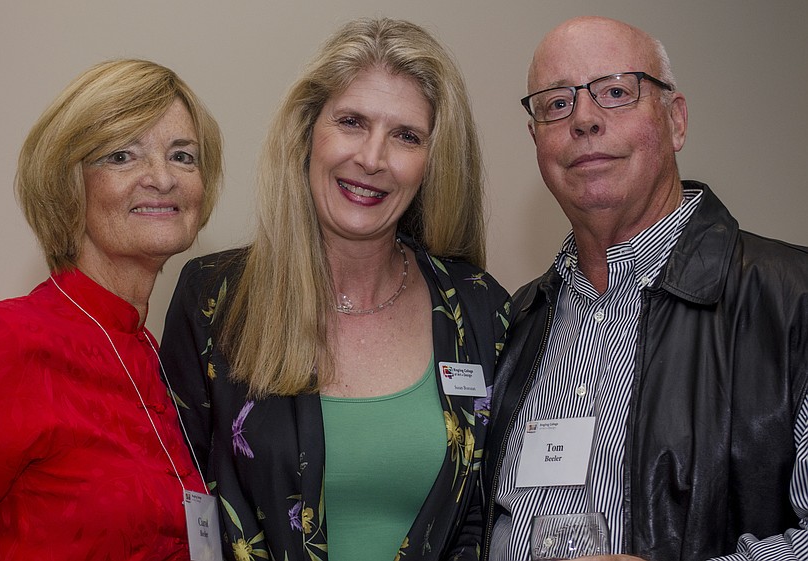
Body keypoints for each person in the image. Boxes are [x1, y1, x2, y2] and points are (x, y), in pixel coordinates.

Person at [159, 17, 510, 561]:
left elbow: (494, 518)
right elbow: (182, 511)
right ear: (308, 134)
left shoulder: (480, 307)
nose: (372, 158)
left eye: (406, 136)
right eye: (351, 122)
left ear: (430, 163)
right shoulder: (216, 300)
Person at [482, 15, 808, 561]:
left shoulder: (791, 301)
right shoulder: (516, 319)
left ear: (676, 120)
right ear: (535, 139)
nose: (584, 119)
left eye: (615, 92)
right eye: (556, 104)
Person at [0, 59, 223, 560]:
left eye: (183, 156)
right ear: (68, 183)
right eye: (123, 156)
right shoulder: (5, 341)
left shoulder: (159, 361)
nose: (162, 178)